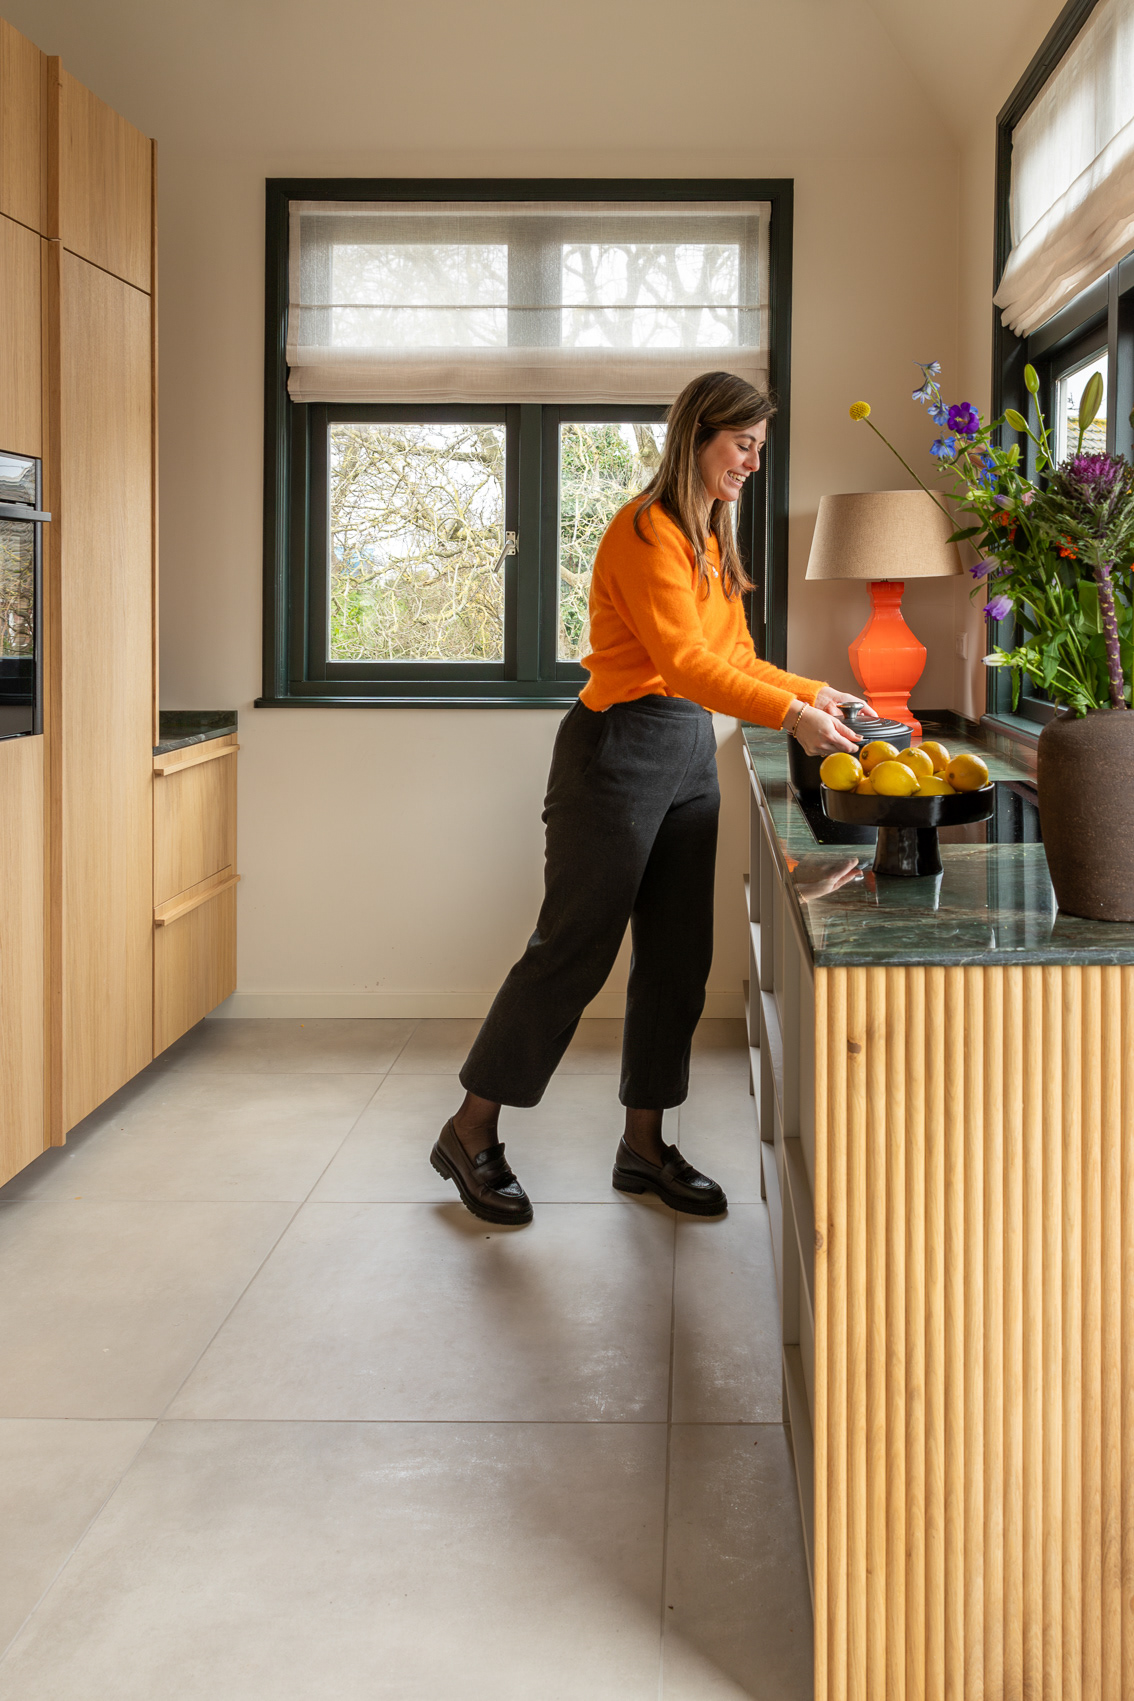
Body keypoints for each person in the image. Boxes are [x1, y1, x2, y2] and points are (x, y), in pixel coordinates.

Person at [431, 370, 865, 1226]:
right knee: (575, 948)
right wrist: (794, 716)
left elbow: (734, 659)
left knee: (676, 954)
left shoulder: (712, 540)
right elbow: (683, 661)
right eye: (742, 444)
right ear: (699, 435)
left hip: (685, 748)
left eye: (758, 449)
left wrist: (819, 692)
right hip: (616, 749)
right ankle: (470, 1130)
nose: (750, 461)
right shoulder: (644, 532)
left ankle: (644, 1145)